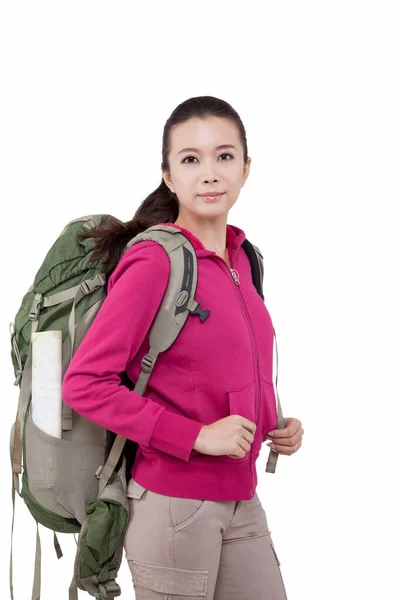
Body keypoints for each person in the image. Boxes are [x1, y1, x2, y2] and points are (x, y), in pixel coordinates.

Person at [62, 95, 304, 599]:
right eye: (190, 160)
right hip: (173, 505)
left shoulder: (244, 258)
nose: (209, 174)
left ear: (246, 168)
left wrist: (274, 423)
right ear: (169, 176)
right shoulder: (156, 261)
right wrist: (196, 437)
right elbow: (84, 385)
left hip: (241, 496)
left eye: (224, 156)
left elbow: (219, 368)